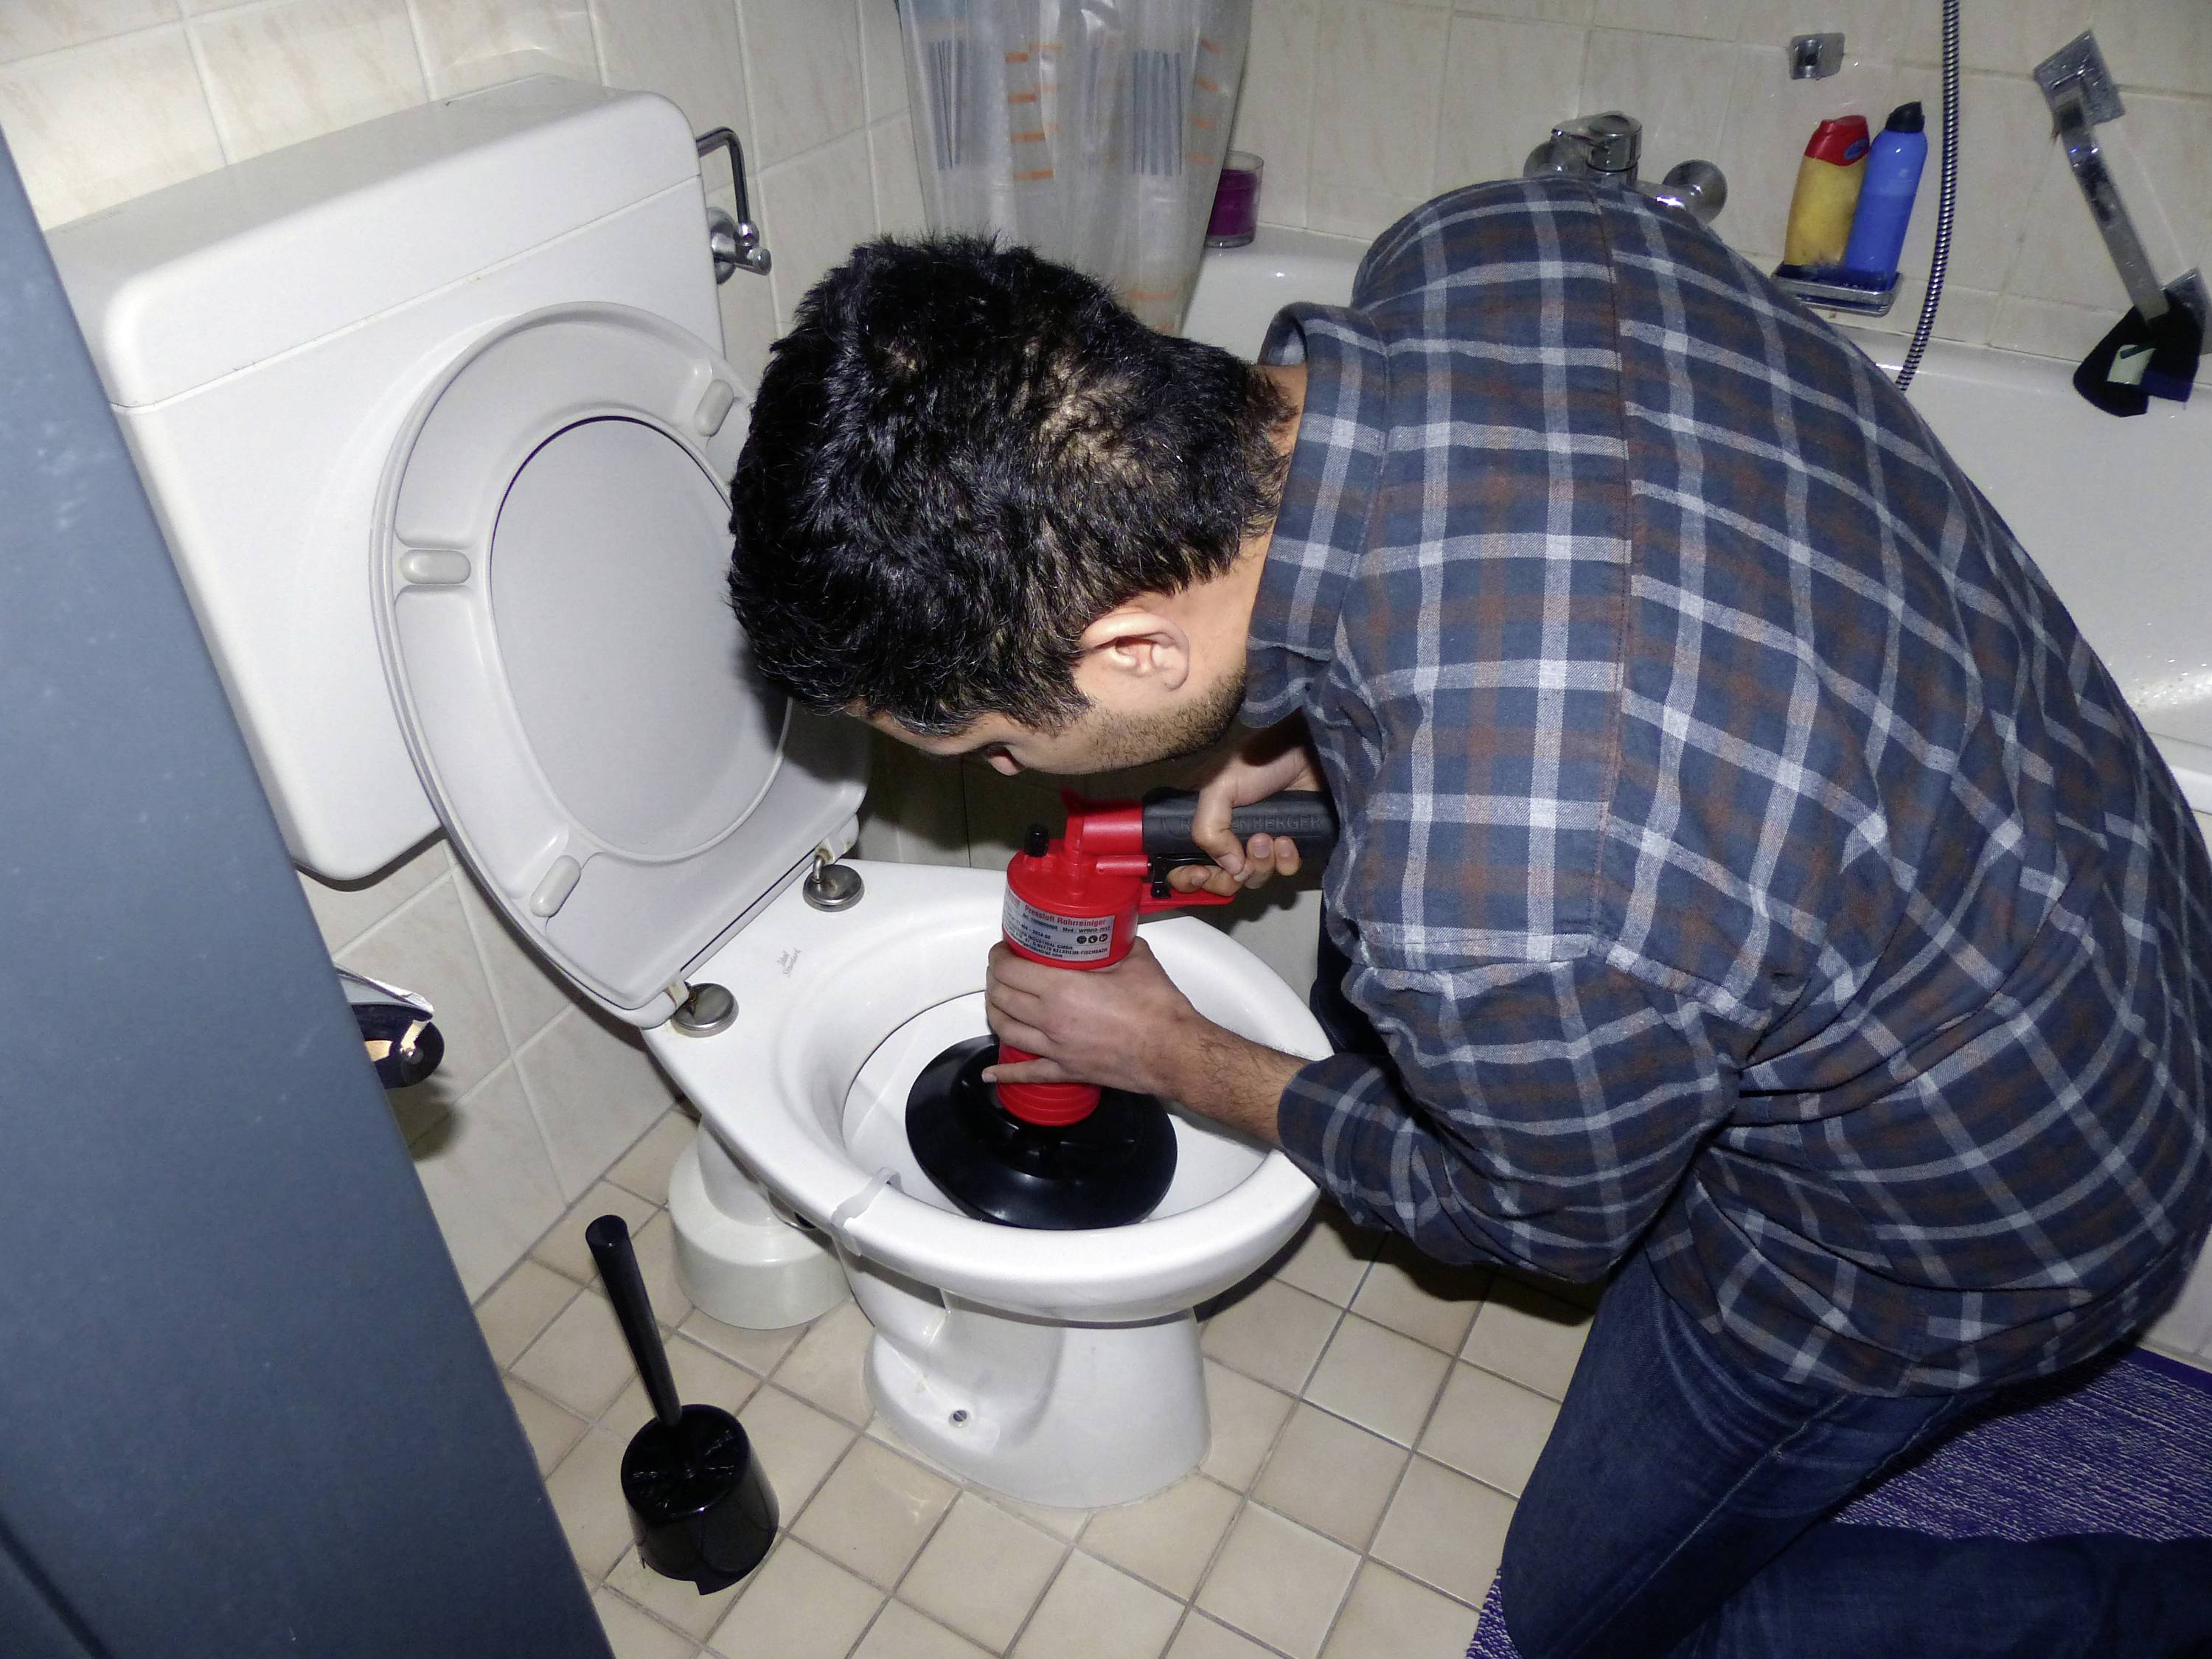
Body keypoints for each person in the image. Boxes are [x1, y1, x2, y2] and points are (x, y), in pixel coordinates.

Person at [726, 178, 2212, 1656]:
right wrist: (1293, 716)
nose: (1005, 779)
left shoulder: (1509, 904)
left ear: (1134, 647)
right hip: (2109, 871)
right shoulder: (1489, 240)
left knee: (1587, 1625)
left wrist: (1179, 1057)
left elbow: (1531, 1218)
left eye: (996, 746)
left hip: (2002, 1193)